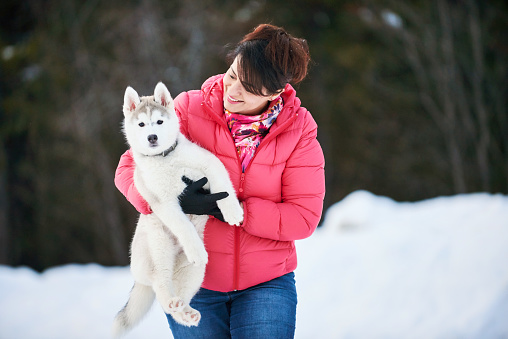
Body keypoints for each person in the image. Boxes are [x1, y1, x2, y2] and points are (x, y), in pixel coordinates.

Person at [114, 24, 325, 338]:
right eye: (233, 75)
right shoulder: (187, 108)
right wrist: (166, 202)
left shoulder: (299, 132)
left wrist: (231, 208)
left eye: (250, 87)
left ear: (276, 92)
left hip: (266, 283)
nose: (233, 91)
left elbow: (304, 217)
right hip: (193, 277)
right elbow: (128, 170)